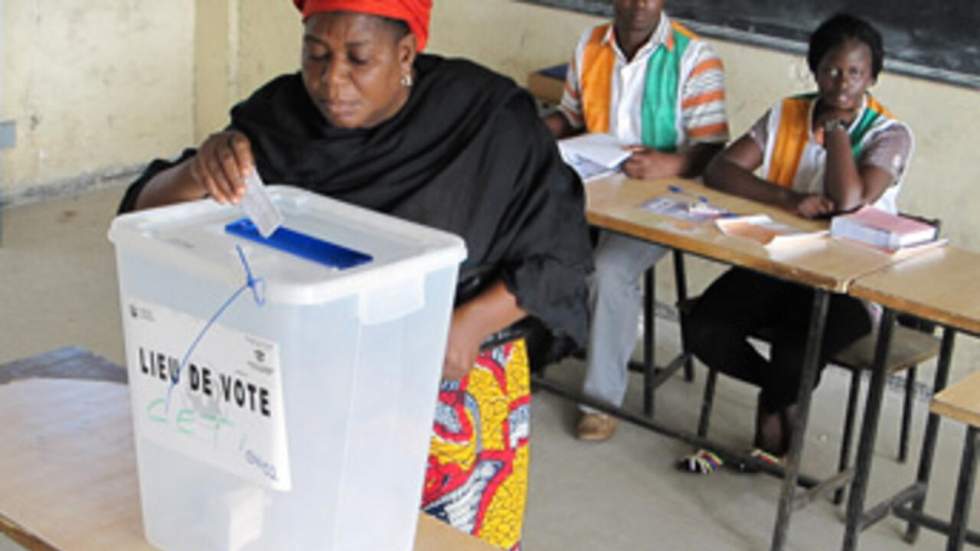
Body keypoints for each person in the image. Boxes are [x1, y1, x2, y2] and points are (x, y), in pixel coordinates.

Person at [118, 1, 593, 548]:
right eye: (315, 55)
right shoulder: (280, 116)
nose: (331, 80)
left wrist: (470, 323)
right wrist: (200, 169)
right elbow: (142, 218)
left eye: (358, 59)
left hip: (450, 360)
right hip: (314, 361)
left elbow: (560, 251)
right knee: (309, 527)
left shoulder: (485, 117)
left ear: (406, 54)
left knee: (443, 536)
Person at [681, 13, 914, 473]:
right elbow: (722, 169)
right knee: (704, 327)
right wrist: (786, 199)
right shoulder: (787, 112)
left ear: (872, 76)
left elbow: (848, 200)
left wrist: (837, 134)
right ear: (814, 68)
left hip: (851, 282)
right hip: (782, 262)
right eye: (831, 69)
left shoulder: (890, 134)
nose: (842, 83)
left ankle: (774, 414)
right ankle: (778, 397)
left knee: (795, 352)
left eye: (855, 72)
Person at [543, 0, 729, 441]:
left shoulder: (694, 57)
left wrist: (673, 163)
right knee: (527, 227)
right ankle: (537, 346)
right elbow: (571, 118)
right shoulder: (590, 44)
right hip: (598, 182)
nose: (640, 4)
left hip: (665, 196)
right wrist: (530, 131)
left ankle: (600, 401)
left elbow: (714, 146)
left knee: (609, 269)